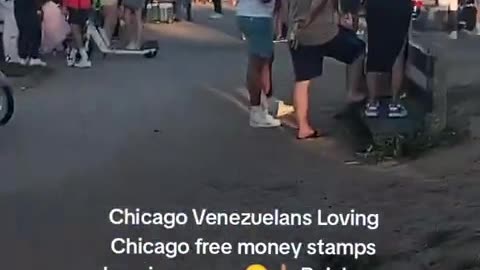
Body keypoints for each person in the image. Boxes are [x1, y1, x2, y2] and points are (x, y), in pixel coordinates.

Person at [288, 0, 366, 139]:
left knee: (302, 80)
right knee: (358, 50)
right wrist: (307, 20)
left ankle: (303, 127)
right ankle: (352, 92)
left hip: (298, 33)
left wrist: (294, 25)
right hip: (322, 31)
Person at [237, 0, 293, 128]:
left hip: (249, 15)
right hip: (257, 17)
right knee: (257, 64)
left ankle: (264, 104)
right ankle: (257, 112)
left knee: (265, 60)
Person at [364, 0, 411, 118]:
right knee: (398, 51)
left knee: (374, 47)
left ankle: (372, 103)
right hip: (399, 5)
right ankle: (394, 104)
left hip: (375, 5)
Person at [14, 0, 46, 66]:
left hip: (20, 6)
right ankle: (33, 57)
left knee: (23, 31)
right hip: (30, 6)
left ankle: (23, 57)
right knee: (34, 30)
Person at [63, 0, 92, 67]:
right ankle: (72, 56)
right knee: (78, 32)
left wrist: (64, 5)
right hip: (85, 5)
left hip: (75, 6)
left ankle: (84, 57)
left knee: (76, 32)